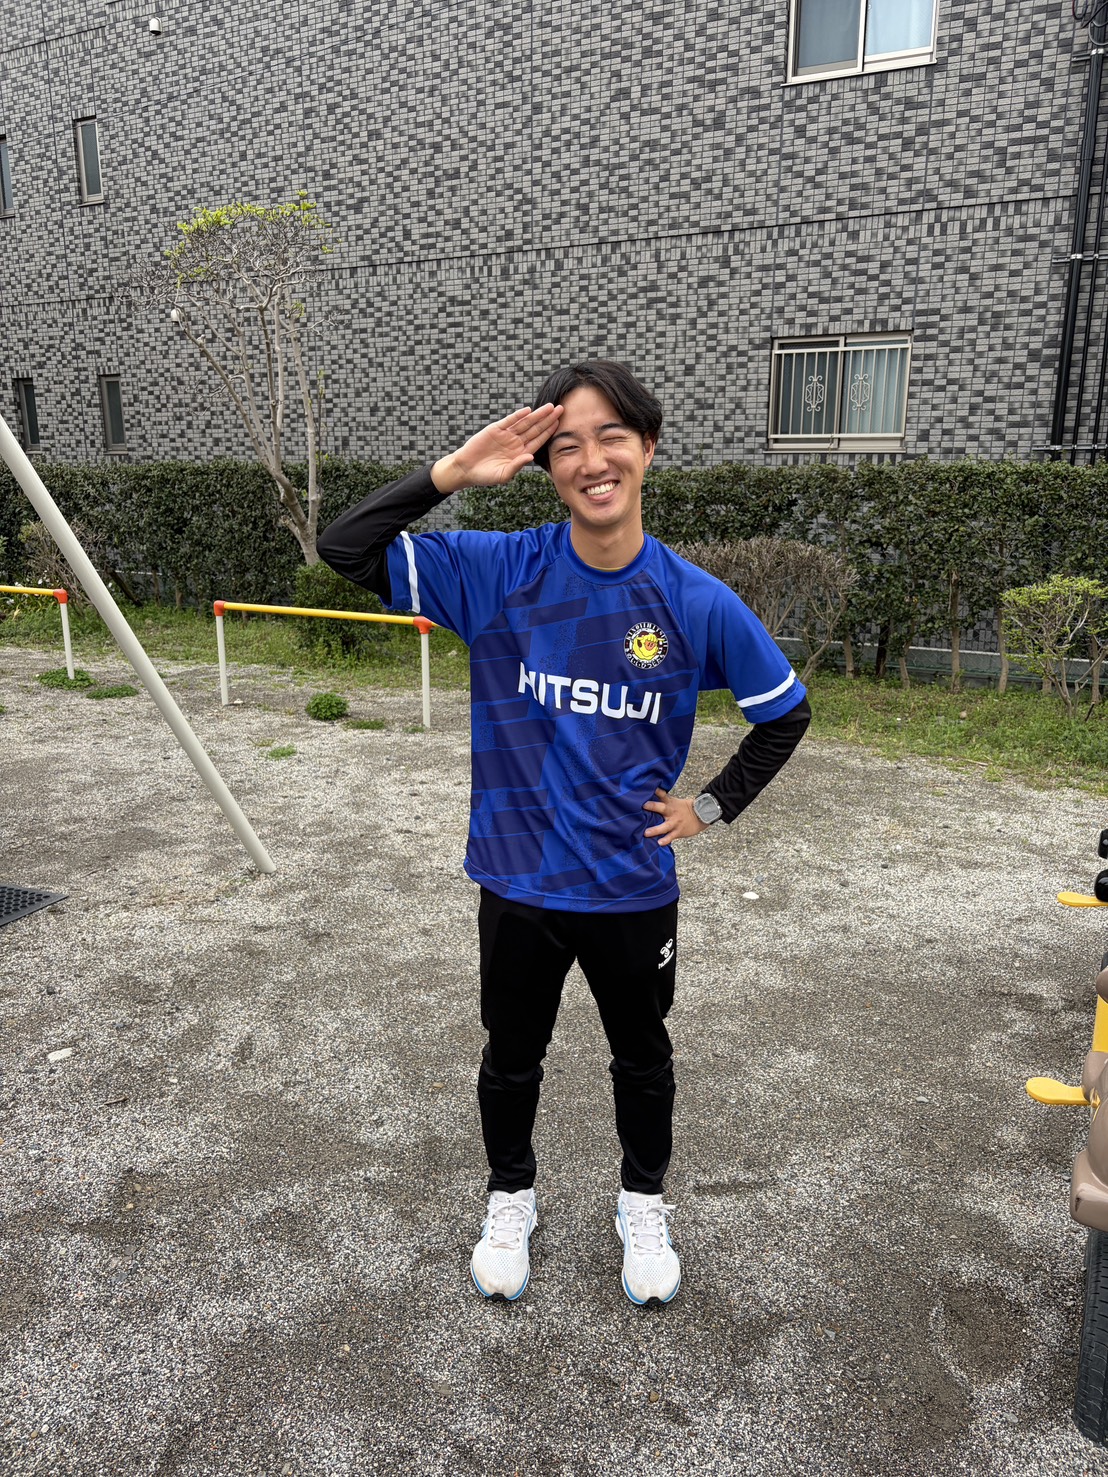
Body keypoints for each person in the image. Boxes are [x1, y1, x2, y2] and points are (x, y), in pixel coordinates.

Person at [317, 361, 810, 1306]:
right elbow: (345, 546)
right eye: (568, 445)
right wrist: (452, 473)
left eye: (612, 436)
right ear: (548, 468)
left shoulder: (695, 600)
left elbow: (783, 713)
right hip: (517, 879)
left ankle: (643, 1203)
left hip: (631, 887)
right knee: (511, 1057)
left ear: (648, 448)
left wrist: (708, 807)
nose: (592, 461)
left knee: (644, 1059)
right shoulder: (502, 573)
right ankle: (511, 1196)